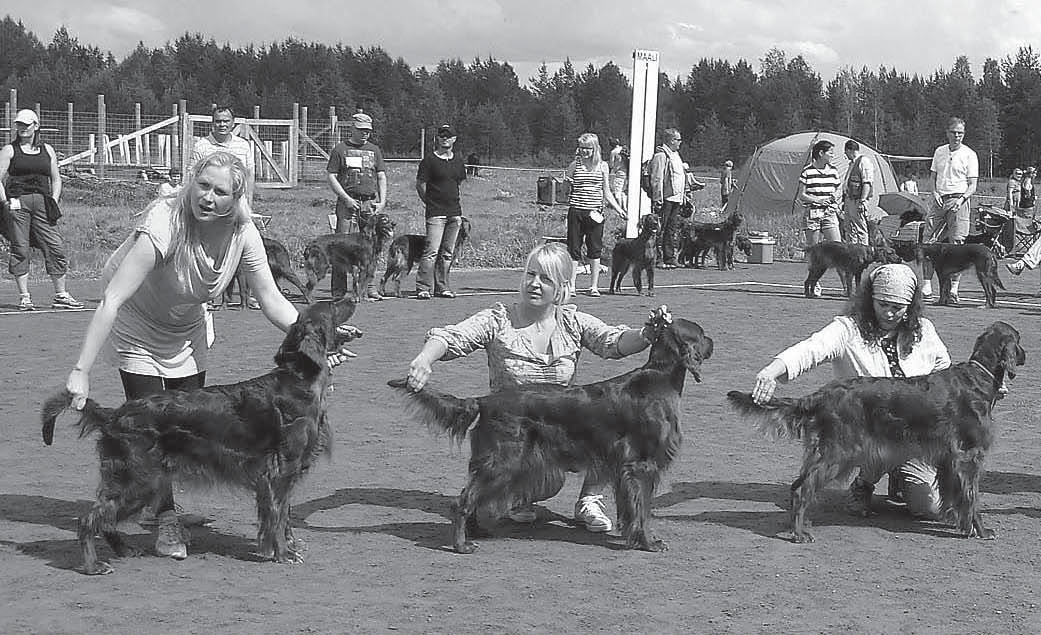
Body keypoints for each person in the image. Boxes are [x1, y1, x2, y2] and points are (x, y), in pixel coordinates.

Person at [64, 150, 322, 560]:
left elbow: (272, 298)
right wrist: (81, 369)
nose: (208, 197)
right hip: (137, 321)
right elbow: (112, 299)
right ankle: (165, 522)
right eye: (203, 186)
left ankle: (153, 510)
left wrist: (313, 338)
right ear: (191, 182)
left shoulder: (243, 232)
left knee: (188, 430)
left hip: (185, 326)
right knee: (150, 436)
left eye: (221, 192)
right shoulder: (163, 223)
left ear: (235, 199)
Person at [403, 242, 668, 534]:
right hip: (516, 429)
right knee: (547, 482)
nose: (534, 284)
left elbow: (614, 341)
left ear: (562, 287)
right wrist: (424, 359)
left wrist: (646, 334)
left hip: (566, 426)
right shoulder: (498, 320)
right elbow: (452, 337)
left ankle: (589, 499)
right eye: (530, 274)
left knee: (607, 422)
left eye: (545, 279)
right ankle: (518, 494)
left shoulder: (573, 322)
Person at [750, 263, 951, 519]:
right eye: (883, 304)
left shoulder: (924, 330)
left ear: (910, 306)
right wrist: (772, 371)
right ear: (870, 300)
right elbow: (812, 348)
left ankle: (900, 480)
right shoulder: (848, 329)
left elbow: (945, 371)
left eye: (898, 307)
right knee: (871, 436)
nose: (889, 314)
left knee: (929, 507)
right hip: (863, 427)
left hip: (914, 433)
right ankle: (863, 484)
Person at [0, 108, 84, 311]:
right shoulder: (9, 150)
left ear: (36, 126)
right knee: (21, 247)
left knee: (55, 246)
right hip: (18, 203)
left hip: (43, 204)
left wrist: (53, 200)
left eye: (26, 125)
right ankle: (25, 297)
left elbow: (56, 179)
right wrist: (6, 203)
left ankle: (61, 295)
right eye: (19, 125)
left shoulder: (47, 150)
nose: (22, 128)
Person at [326, 112, 388, 299]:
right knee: (341, 246)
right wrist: (345, 198)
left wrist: (382, 200)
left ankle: (368, 287)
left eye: (368, 131)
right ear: (352, 128)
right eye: (361, 130)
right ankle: (339, 291)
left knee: (371, 248)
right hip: (348, 203)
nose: (365, 134)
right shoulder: (340, 149)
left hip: (369, 203)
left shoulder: (374, 150)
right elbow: (331, 176)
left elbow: (381, 175)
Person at [565, 132, 624, 297]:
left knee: (595, 249)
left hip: (595, 212)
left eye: (588, 148)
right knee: (574, 249)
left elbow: (606, 191)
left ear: (595, 149)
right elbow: (565, 191)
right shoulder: (574, 165)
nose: (584, 152)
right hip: (576, 210)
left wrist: (619, 209)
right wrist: (566, 183)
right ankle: (571, 286)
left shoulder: (603, 166)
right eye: (582, 148)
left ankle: (594, 286)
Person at [927, 117, 979, 302]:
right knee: (929, 243)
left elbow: (973, 184)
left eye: (960, 133)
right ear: (947, 133)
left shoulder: (970, 154)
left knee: (957, 245)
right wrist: (934, 193)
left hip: (960, 201)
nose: (957, 136)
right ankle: (927, 288)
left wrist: (962, 199)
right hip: (939, 201)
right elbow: (932, 177)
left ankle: (953, 290)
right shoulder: (939, 152)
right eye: (954, 132)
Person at [413, 124, 468, 300]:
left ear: (454, 139)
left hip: (454, 212)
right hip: (436, 212)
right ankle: (423, 287)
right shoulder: (429, 161)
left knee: (447, 252)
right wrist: (429, 202)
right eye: (442, 136)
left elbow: (459, 182)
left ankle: (442, 286)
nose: (445, 138)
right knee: (431, 251)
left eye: (448, 136)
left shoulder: (458, 160)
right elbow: (420, 185)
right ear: (437, 138)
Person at [186, 105, 256, 201]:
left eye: (226, 121)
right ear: (213, 123)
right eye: (218, 121)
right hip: (210, 203)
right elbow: (192, 177)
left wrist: (248, 200)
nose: (222, 124)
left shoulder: (243, 145)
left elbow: (249, 175)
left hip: (237, 203)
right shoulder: (201, 146)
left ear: (233, 122)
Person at [649, 128, 687, 268]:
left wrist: (684, 195)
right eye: (678, 140)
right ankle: (657, 258)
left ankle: (669, 257)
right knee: (660, 228)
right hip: (666, 198)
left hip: (676, 197)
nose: (680, 143)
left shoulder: (675, 154)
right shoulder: (661, 155)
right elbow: (656, 177)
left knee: (671, 228)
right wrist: (658, 197)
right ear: (671, 140)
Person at [797, 140, 843, 246]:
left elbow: (838, 189)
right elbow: (802, 195)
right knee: (813, 248)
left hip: (829, 212)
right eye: (830, 153)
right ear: (821, 153)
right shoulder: (807, 171)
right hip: (813, 213)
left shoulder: (833, 171)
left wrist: (834, 198)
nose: (832, 156)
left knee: (837, 246)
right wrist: (818, 200)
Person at [842, 140, 882, 245]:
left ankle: (863, 250)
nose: (845, 154)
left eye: (845, 152)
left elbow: (867, 182)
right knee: (849, 226)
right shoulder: (852, 164)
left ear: (849, 150)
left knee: (859, 226)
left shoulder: (864, 162)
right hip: (849, 199)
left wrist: (862, 201)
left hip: (858, 199)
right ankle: (852, 249)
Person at [606, 137, 628, 209]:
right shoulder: (624, 149)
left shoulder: (613, 152)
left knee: (617, 191)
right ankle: (625, 207)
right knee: (623, 191)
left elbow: (611, 164)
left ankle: (619, 207)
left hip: (619, 173)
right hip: (627, 173)